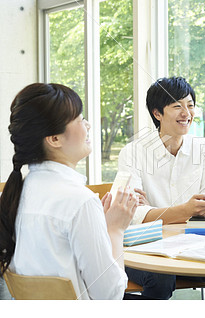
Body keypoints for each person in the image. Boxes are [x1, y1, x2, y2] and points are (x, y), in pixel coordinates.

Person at [0, 83, 137, 300]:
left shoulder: (17, 193)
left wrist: (99, 223)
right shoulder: (79, 201)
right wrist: (114, 230)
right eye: (80, 119)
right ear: (54, 139)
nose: (88, 125)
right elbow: (110, 297)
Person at [117, 77, 205, 299]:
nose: (186, 113)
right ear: (157, 113)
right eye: (177, 106)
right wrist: (186, 210)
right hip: (144, 246)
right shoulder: (133, 153)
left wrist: (153, 212)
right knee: (161, 278)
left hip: (194, 243)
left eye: (190, 105)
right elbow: (134, 216)